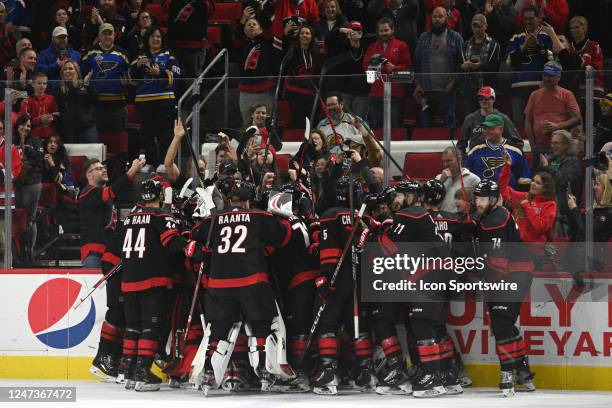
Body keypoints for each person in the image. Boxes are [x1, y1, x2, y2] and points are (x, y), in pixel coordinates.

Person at [190, 180, 297, 392]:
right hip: (252, 281)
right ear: (249, 201)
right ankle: (265, 374)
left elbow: (194, 235)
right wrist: (283, 216)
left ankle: (209, 374)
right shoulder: (258, 215)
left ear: (231, 200)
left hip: (219, 284)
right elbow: (284, 238)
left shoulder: (215, 219)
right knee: (260, 327)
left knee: (219, 329)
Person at [118, 178, 205, 391]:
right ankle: (143, 372)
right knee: (150, 327)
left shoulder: (129, 218)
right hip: (152, 278)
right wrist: (194, 246)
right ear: (160, 197)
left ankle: (129, 372)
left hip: (129, 280)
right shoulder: (161, 216)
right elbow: (171, 242)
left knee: (133, 326)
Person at [312, 176, 376, 395]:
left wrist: (325, 278)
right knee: (358, 327)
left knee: (327, 326)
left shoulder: (330, 215)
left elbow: (329, 251)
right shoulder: (365, 216)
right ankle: (366, 373)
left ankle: (329, 374)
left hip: (338, 281)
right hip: (360, 281)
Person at [471, 179, 536, 396]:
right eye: (477, 198)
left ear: (494, 199)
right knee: (504, 323)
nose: (478, 203)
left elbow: (496, 264)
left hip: (513, 274)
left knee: (500, 323)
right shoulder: (489, 217)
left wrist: (471, 265)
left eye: (482, 199)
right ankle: (522, 371)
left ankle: (507, 372)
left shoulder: (496, 218)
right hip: (509, 274)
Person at [130, 25, 180, 169]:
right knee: (146, 134)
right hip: (143, 102)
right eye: (153, 36)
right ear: (147, 39)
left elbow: (176, 75)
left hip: (164, 101)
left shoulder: (169, 54)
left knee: (165, 134)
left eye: (158, 36)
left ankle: (164, 163)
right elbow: (130, 79)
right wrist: (136, 67)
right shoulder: (139, 55)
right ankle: (150, 162)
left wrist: (160, 73)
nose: (156, 39)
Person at [524, 61, 582, 172]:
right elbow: (528, 121)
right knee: (538, 179)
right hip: (539, 147)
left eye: (550, 76)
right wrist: (533, 145)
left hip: (561, 149)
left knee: (558, 179)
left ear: (558, 77)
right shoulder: (534, 95)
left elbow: (578, 119)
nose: (546, 78)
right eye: (545, 75)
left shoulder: (567, 94)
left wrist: (557, 126)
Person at [413, 7, 463, 128]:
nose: (437, 19)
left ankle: (450, 147)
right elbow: (416, 63)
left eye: (440, 17)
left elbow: (461, 64)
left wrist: (455, 81)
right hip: (427, 90)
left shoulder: (456, 38)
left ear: (447, 18)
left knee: (449, 124)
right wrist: (418, 83)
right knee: (426, 124)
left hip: (447, 89)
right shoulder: (423, 38)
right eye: (434, 16)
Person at [505, 5, 553, 127]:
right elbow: (510, 61)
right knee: (519, 123)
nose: (528, 21)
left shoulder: (547, 36)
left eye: (531, 18)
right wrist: (524, 45)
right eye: (526, 19)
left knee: (540, 123)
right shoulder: (516, 38)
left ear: (538, 19)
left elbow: (553, 60)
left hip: (541, 86)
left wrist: (538, 46)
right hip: (519, 87)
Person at [498, 153, 558, 246]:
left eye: (538, 183)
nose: (533, 184)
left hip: (534, 251)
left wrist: (527, 206)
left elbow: (541, 227)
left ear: (545, 188)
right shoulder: (523, 196)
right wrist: (507, 166)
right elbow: (502, 189)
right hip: (515, 246)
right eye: (533, 181)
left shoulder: (550, 204)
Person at [81, 23, 130, 133]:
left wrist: (127, 83)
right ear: (99, 36)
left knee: (118, 140)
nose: (107, 36)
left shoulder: (123, 53)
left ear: (114, 35)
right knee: (97, 141)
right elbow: (81, 74)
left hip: (118, 105)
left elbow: (130, 75)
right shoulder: (89, 53)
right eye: (104, 34)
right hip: (95, 104)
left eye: (110, 34)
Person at [363, 17, 412, 128]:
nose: (384, 33)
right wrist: (371, 69)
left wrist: (395, 67)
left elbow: (408, 66)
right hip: (376, 92)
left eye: (386, 30)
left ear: (392, 30)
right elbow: (365, 66)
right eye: (381, 31)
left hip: (395, 93)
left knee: (395, 123)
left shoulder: (401, 45)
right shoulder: (372, 47)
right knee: (377, 124)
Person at [466, 113, 531, 190]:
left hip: (507, 197)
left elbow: (524, 178)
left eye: (491, 128)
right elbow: (466, 175)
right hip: (480, 197)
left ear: (501, 129)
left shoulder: (515, 150)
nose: (487, 131)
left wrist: (520, 197)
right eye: (485, 128)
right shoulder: (475, 149)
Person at [236, 17, 282, 125]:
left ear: (261, 29)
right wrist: (242, 19)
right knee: (247, 124)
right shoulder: (241, 44)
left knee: (266, 123)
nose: (251, 26)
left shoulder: (268, 41)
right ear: (244, 30)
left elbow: (270, 29)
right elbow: (236, 37)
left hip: (264, 90)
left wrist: (259, 9)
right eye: (248, 24)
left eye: (254, 24)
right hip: (245, 91)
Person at [324, 20, 372, 120]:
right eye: (352, 31)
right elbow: (328, 39)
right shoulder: (341, 47)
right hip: (344, 92)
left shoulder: (367, 47)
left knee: (359, 121)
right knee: (343, 121)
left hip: (362, 93)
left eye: (358, 31)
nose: (355, 33)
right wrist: (341, 30)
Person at [459, 86, 523, 154]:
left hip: (497, 159)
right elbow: (461, 146)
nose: (483, 101)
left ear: (493, 99)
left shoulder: (503, 118)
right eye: (481, 99)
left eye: (486, 98)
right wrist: (463, 162)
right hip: (476, 159)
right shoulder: (470, 119)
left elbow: (518, 143)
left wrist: (509, 157)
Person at [13, 115, 43, 264]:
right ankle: (16, 251)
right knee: (15, 217)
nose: (26, 128)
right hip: (14, 183)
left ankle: (29, 251)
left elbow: (40, 158)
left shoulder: (35, 141)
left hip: (32, 183)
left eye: (29, 126)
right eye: (23, 125)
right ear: (17, 126)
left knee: (30, 218)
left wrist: (27, 150)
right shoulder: (10, 141)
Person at [459, 14, 501, 115]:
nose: (477, 29)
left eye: (480, 26)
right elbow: (457, 66)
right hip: (468, 91)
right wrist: (463, 66)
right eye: (475, 26)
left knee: (487, 119)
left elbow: (495, 68)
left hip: (486, 91)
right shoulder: (465, 45)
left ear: (485, 26)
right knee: (470, 120)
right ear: (471, 26)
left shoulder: (494, 45)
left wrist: (480, 66)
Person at [538, 130, 581, 219]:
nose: (552, 146)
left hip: (564, 211)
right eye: (552, 143)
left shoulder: (573, 163)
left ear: (566, 145)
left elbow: (562, 181)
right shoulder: (550, 159)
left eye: (556, 143)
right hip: (546, 204)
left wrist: (547, 167)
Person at [284, 25, 321, 129]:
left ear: (312, 37)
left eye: (307, 33)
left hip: (311, 94)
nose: (304, 35)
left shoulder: (316, 53)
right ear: (298, 36)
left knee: (313, 124)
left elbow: (318, 72)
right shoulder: (292, 51)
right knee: (298, 122)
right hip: (295, 93)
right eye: (302, 33)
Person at [54, 59, 98, 143]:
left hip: (87, 126)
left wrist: (86, 86)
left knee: (90, 154)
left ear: (77, 71)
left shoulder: (85, 85)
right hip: (68, 128)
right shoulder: (59, 88)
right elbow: (65, 101)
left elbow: (94, 99)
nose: (67, 71)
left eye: (71, 68)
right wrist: (74, 86)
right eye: (65, 69)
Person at [165, 0, 208, 82]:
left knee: (193, 77)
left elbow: (209, 9)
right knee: (171, 74)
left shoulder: (203, 3)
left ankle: (193, 94)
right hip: (174, 43)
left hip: (195, 45)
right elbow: (165, 7)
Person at [567, 16, 607, 101]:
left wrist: (583, 64)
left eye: (577, 27)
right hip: (575, 91)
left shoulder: (594, 45)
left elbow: (597, 68)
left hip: (594, 90)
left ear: (584, 28)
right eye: (572, 28)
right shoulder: (568, 48)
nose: (574, 30)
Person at [0, 119, 22, 267]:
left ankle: (6, 274)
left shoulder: (11, 149)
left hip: (3, 203)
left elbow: (16, 172)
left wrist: (1, 172)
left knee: (3, 242)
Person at [435, 147, 480, 213]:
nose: (445, 164)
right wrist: (440, 182)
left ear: (459, 160)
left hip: (461, 221)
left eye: (449, 161)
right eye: (443, 161)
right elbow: (430, 202)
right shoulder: (439, 178)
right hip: (443, 220)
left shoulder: (473, 179)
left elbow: (478, 205)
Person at [36, 26, 81, 92]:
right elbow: (39, 71)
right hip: (52, 92)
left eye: (64, 37)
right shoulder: (43, 54)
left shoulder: (76, 54)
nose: (62, 40)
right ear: (53, 38)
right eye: (59, 37)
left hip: (74, 91)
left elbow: (80, 73)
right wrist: (56, 65)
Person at [19, 72, 58, 139]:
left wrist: (50, 118)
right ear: (33, 84)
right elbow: (24, 121)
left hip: (49, 134)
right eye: (39, 83)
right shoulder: (27, 100)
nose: (42, 85)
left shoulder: (51, 98)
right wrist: (40, 120)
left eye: (44, 83)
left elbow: (56, 114)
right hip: (33, 135)